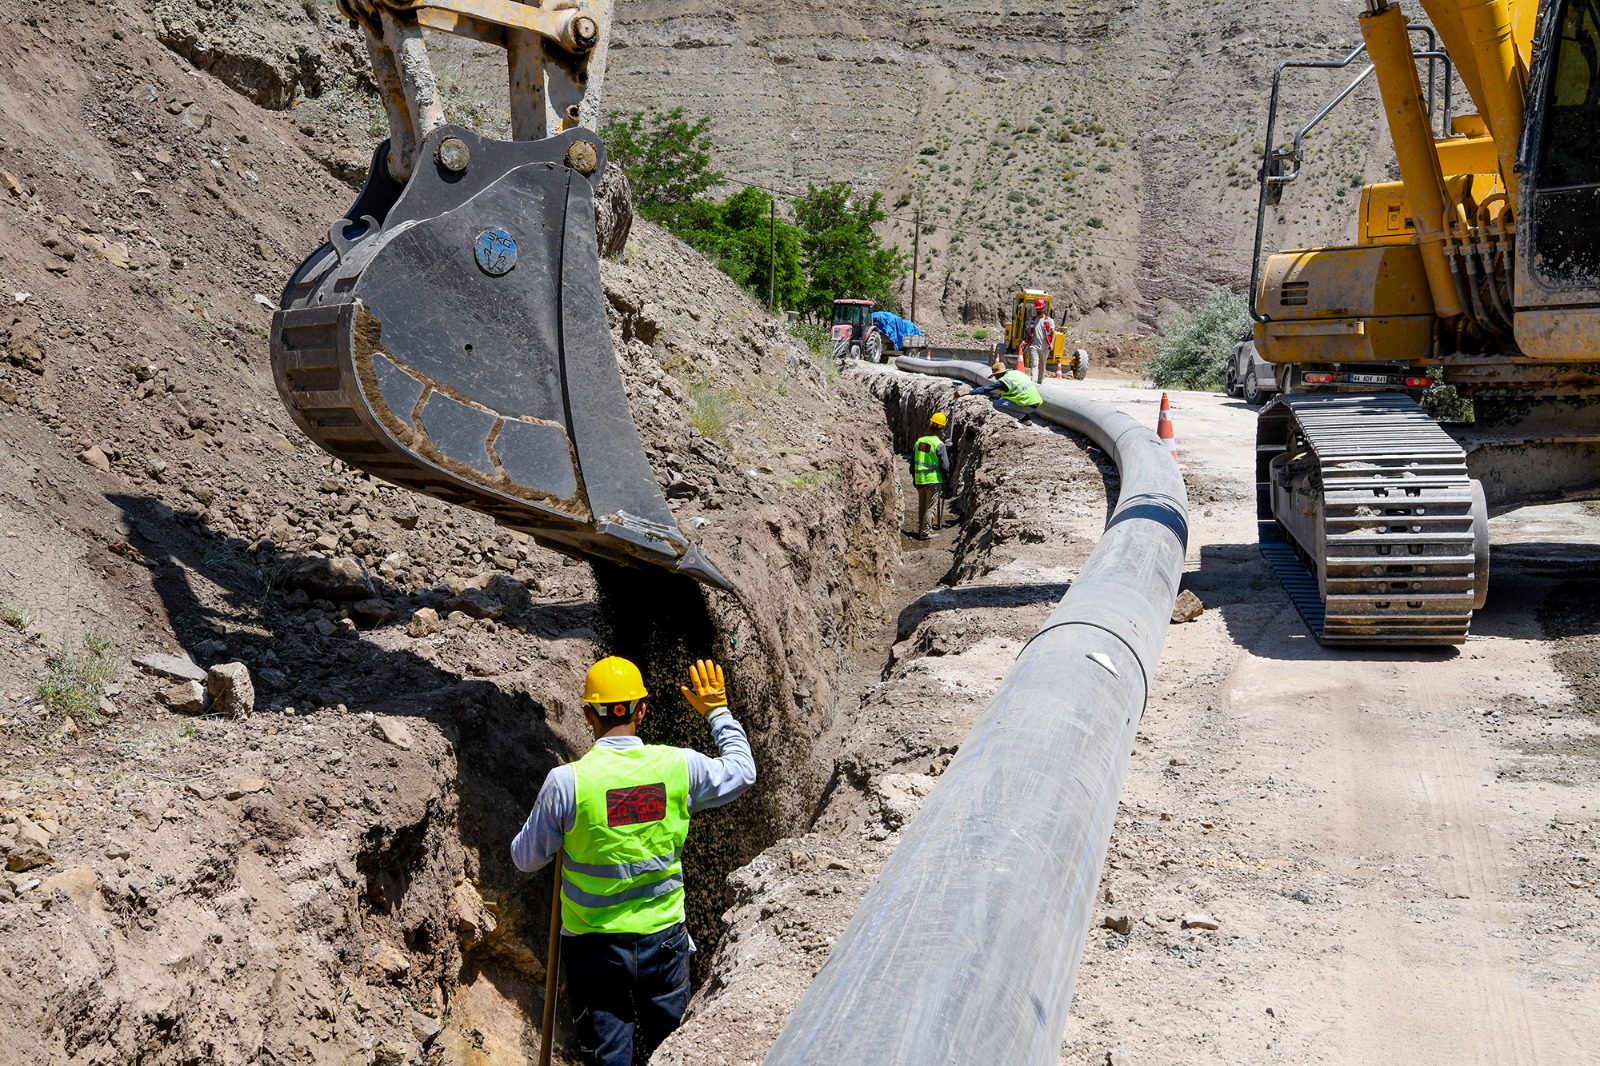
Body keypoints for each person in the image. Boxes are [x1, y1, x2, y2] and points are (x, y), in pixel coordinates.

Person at [512, 656, 756, 1066]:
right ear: (641, 710)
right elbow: (743, 772)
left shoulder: (567, 782)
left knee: (608, 1057)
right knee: (675, 1049)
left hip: (594, 949)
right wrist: (717, 712)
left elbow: (525, 859)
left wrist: (558, 826)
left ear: (588, 714)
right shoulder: (678, 766)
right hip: (664, 940)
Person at [959, 361, 1045, 422]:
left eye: (995, 375)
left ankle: (1023, 417)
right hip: (1035, 402)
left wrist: (966, 393)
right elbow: (1017, 389)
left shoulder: (1003, 381)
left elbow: (985, 389)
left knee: (997, 404)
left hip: (1027, 405)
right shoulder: (1015, 373)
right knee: (1002, 398)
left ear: (998, 374)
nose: (995, 378)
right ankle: (1024, 415)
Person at [910, 411, 951, 540]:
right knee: (930, 507)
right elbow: (945, 465)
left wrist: (914, 476)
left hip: (920, 479)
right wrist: (946, 478)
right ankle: (925, 532)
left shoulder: (919, 441)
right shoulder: (939, 444)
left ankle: (921, 528)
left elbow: (912, 462)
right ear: (942, 428)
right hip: (933, 480)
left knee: (922, 506)